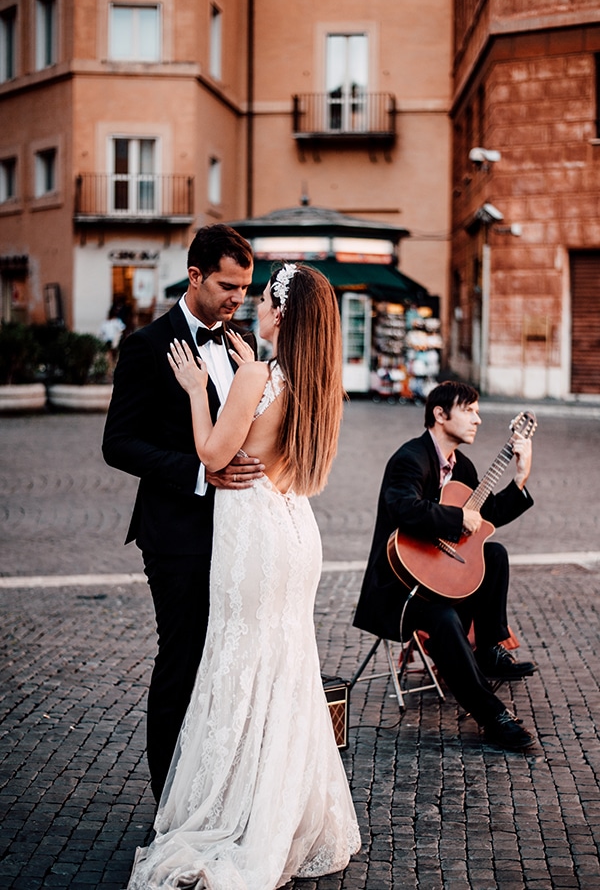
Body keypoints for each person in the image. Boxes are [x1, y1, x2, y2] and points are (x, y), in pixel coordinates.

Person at [127, 263, 361, 889]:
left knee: (238, 660)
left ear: (279, 313)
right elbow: (273, 436)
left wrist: (198, 387)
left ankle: (234, 813)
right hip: (293, 528)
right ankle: (285, 812)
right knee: (284, 668)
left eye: (260, 299)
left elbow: (213, 454)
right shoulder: (311, 381)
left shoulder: (258, 373)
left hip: (253, 534)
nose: (250, 306)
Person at [102, 224, 264, 802]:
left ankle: (211, 790)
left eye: (245, 288)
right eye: (227, 285)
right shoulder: (148, 345)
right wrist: (201, 473)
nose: (236, 298)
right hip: (175, 534)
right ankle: (168, 800)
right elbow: (118, 444)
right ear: (194, 276)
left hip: (236, 533)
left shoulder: (239, 340)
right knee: (184, 657)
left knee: (223, 658)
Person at [353, 380, 538, 751]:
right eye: (469, 410)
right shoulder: (410, 458)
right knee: (443, 618)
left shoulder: (462, 466)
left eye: (478, 411)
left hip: (443, 577)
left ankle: (488, 648)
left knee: (495, 554)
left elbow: (482, 520)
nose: (478, 419)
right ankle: (492, 716)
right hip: (401, 587)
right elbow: (401, 507)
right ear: (440, 414)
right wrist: (456, 520)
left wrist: (520, 478)